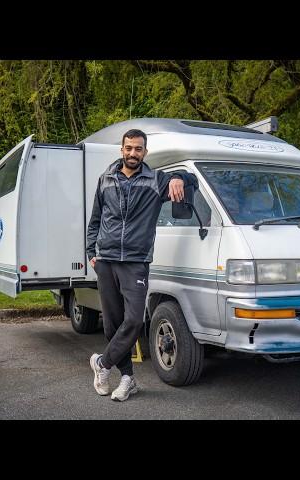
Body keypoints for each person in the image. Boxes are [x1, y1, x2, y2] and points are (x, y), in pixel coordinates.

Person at [86, 128, 198, 401]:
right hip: (106, 259)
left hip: (135, 262)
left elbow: (192, 179)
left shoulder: (155, 180)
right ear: (121, 150)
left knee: (134, 320)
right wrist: (91, 251)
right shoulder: (106, 179)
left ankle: (101, 364)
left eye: (138, 149)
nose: (133, 153)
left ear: (145, 152)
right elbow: (95, 219)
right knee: (112, 324)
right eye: (128, 148)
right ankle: (127, 379)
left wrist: (177, 178)